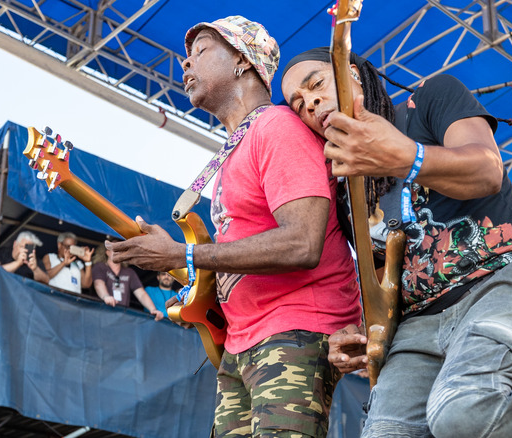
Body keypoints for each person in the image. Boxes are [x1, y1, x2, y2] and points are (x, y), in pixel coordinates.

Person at [281, 48, 512, 437]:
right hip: (419, 325)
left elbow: (486, 171)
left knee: (465, 408)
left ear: (351, 73)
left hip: (504, 279)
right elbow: (384, 285)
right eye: (299, 103)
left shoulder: (429, 97)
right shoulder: (347, 192)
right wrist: (363, 333)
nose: (311, 103)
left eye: (316, 84)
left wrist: (404, 157)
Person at [106, 16, 360, 438]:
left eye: (201, 52)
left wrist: (183, 254)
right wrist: (177, 259)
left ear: (243, 61)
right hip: (241, 342)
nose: (185, 65)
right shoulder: (235, 147)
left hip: (294, 327)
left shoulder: (277, 128)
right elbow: (236, 257)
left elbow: (302, 242)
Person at [91, 242, 164, 321]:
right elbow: (98, 284)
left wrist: (153, 309)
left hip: (122, 317)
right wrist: (105, 296)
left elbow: (141, 293)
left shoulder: (129, 272)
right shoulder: (100, 266)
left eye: (122, 251)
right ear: (107, 252)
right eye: (116, 250)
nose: (119, 253)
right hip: (103, 313)